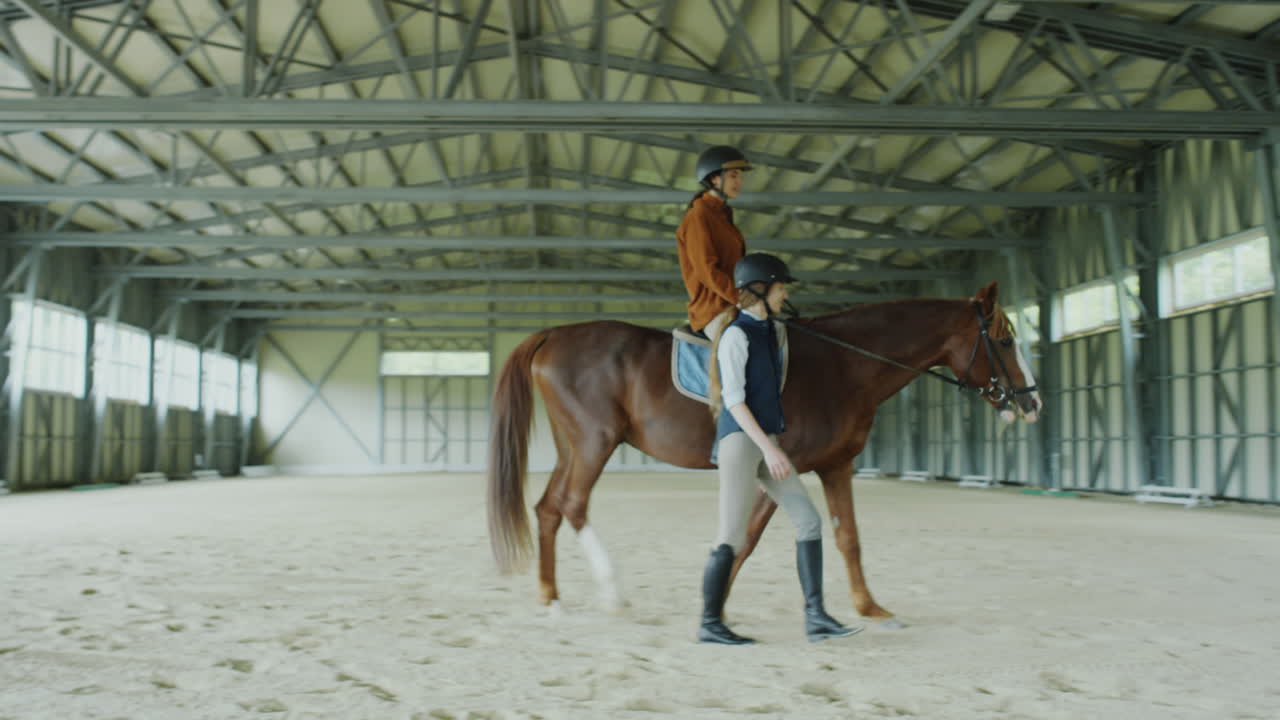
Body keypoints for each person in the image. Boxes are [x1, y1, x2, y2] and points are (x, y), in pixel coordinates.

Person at [697, 253, 860, 645]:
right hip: (740, 442)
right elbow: (734, 400)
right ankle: (709, 624)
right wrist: (768, 450)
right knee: (730, 536)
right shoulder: (736, 335)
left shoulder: (769, 331)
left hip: (765, 440)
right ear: (760, 290)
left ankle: (816, 617)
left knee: (808, 520)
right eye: (781, 287)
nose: (785, 294)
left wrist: (772, 445)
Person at [677, 145, 752, 343]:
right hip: (713, 311)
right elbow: (706, 270)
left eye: (740, 177)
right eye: (734, 176)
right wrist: (740, 298)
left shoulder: (723, 215)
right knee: (741, 344)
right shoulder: (698, 216)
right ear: (714, 178)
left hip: (733, 305)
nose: (739, 181)